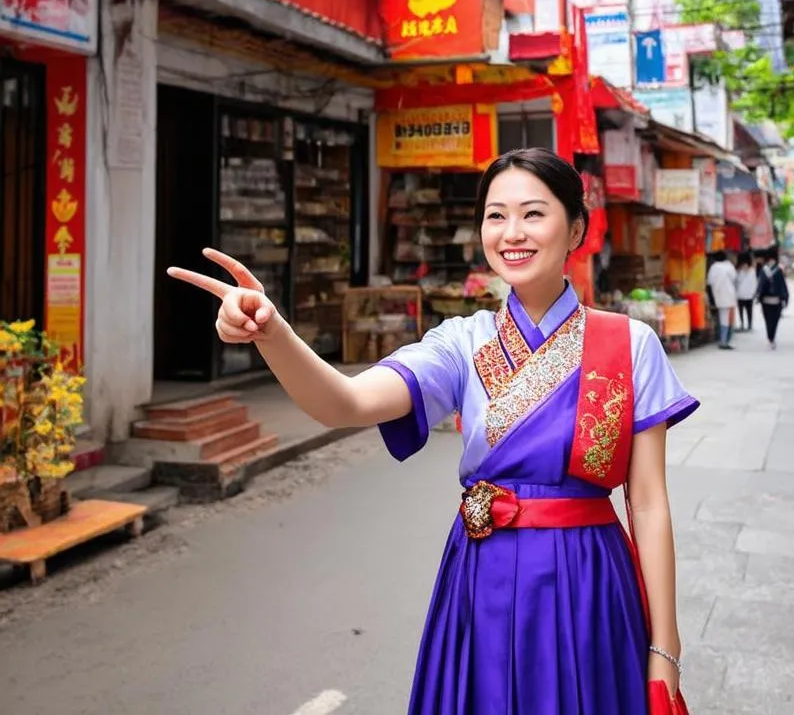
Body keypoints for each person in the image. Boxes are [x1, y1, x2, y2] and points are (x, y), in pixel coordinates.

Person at [168, 148, 699, 715]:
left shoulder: (629, 344)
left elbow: (647, 504)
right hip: (483, 581)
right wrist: (270, 332)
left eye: (533, 214)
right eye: (496, 215)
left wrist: (664, 648)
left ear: (576, 230)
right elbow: (344, 401)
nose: (511, 232)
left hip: (590, 582)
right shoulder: (461, 342)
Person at [756, 247, 790, 349]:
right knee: (775, 320)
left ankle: (769, 338)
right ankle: (772, 338)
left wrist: (758, 297)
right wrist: (785, 298)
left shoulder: (763, 270)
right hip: (777, 300)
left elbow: (760, 285)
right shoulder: (779, 270)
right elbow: (783, 286)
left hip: (766, 300)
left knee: (767, 320)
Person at [706, 249, 738, 350]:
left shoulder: (714, 267)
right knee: (727, 318)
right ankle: (724, 340)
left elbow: (710, 282)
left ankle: (723, 340)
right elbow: (734, 279)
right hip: (729, 295)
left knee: (722, 318)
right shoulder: (730, 267)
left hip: (718, 296)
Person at [736, 252, 757, 332]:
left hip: (749, 295)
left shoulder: (752, 271)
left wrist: (754, 293)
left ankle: (749, 324)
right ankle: (742, 324)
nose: (744, 266)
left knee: (749, 311)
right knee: (740, 311)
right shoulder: (738, 272)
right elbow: (736, 282)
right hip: (740, 295)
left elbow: (754, 283)